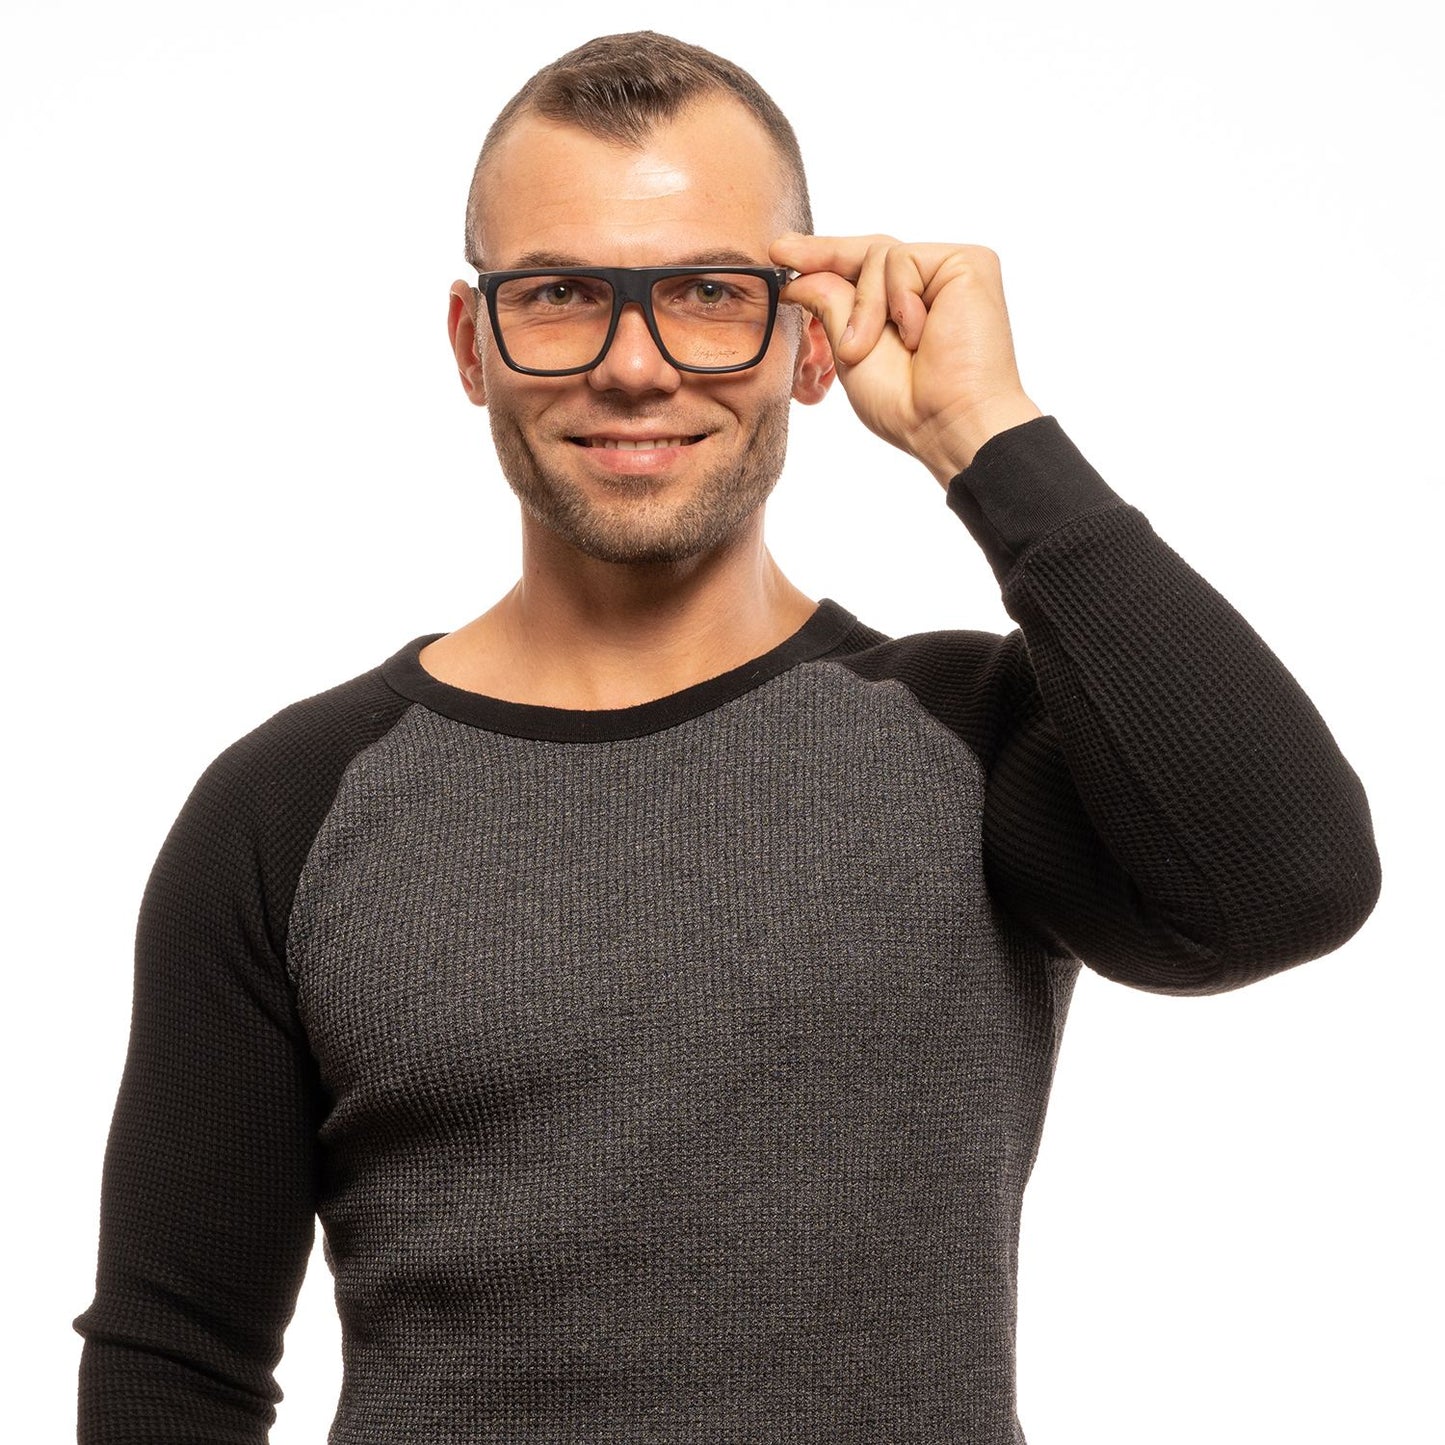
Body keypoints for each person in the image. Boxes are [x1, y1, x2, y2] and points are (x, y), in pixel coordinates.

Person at [73, 30, 1380, 1445]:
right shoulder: (288, 808)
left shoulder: (971, 740)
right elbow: (174, 1363)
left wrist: (984, 433)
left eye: (708, 294)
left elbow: (1288, 885)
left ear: (808, 340)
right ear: (470, 345)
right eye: (560, 295)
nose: (636, 367)